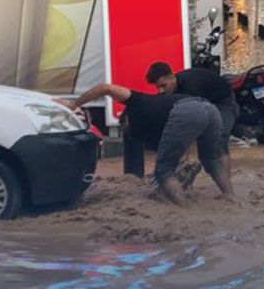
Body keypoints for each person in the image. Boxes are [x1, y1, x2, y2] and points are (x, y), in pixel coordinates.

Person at [61, 83, 235, 206]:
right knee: (210, 159)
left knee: (163, 169)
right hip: (211, 109)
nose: (125, 132)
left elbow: (104, 87)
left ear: (125, 118)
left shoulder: (136, 101)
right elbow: (178, 150)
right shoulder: (156, 126)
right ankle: (231, 199)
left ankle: (185, 210)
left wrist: (73, 104)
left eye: (123, 127)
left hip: (188, 109)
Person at [147, 63, 241, 147]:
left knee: (218, 141)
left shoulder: (192, 86)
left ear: (172, 77)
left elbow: (191, 121)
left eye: (163, 86)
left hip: (223, 102)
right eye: (157, 87)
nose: (161, 91)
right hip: (205, 103)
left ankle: (222, 165)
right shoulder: (167, 92)